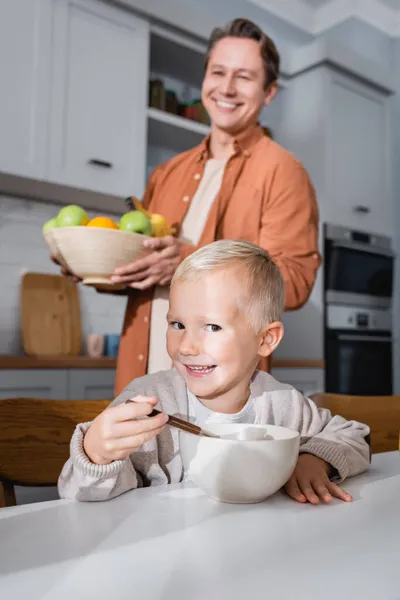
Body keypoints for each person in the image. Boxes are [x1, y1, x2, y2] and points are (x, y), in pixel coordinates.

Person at [55, 18, 321, 396]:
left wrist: (186, 261)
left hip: (222, 393)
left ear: (269, 92)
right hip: (143, 378)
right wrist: (91, 263)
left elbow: (293, 283)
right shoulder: (166, 173)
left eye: (244, 77)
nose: (226, 88)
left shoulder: (284, 171)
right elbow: (146, 270)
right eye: (218, 72)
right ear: (205, 80)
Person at [58, 240, 369, 505]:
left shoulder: (283, 404)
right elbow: (80, 496)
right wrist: (97, 454)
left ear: (265, 340)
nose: (187, 346)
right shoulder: (148, 404)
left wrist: (316, 460)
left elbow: (354, 436)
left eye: (212, 327)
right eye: (177, 324)